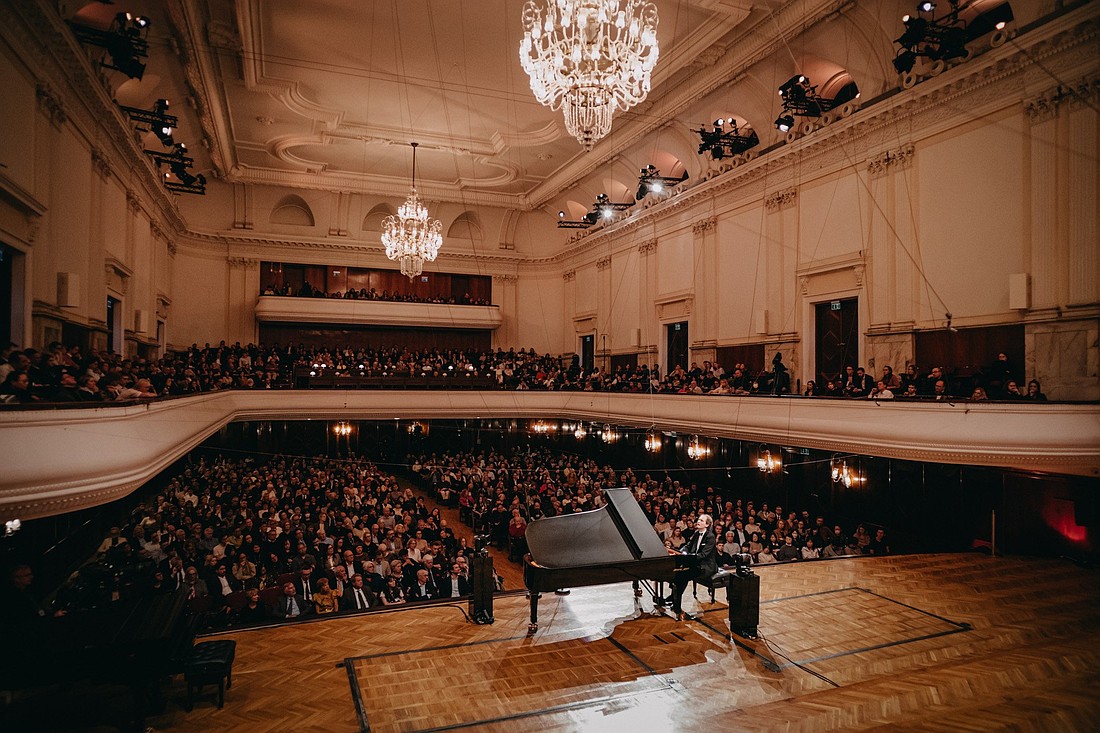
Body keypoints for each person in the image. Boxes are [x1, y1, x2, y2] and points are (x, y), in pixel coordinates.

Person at [670, 513, 717, 621]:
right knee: (679, 574)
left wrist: (689, 558)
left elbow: (704, 555)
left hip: (706, 566)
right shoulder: (696, 533)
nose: (698, 522)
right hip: (695, 563)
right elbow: (688, 546)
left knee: (682, 575)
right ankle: (675, 601)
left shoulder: (710, 537)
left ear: (707, 524)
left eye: (701, 520)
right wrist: (682, 553)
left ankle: (676, 603)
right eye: (698, 520)